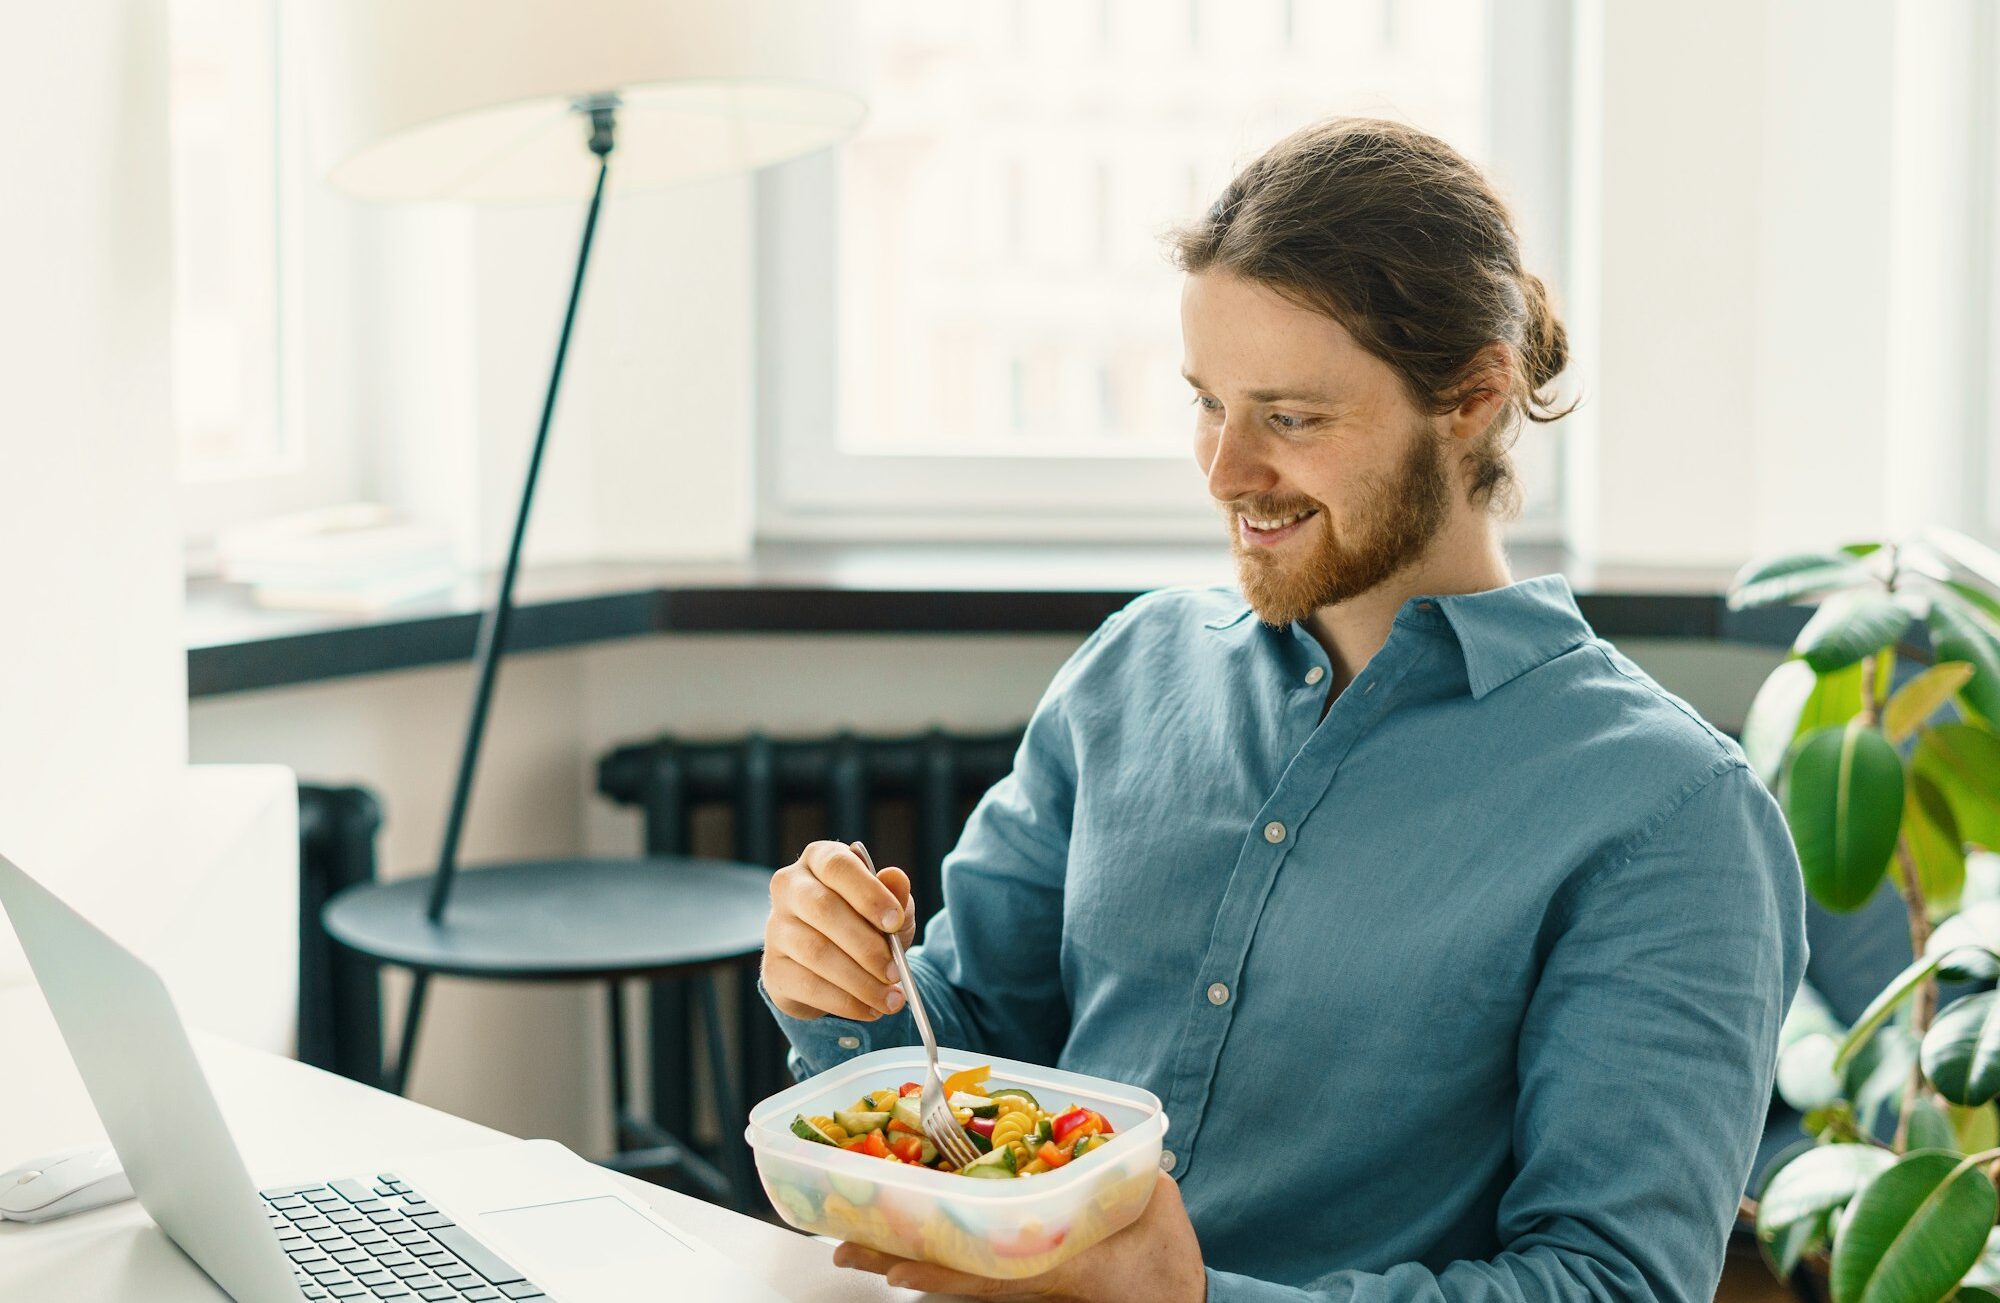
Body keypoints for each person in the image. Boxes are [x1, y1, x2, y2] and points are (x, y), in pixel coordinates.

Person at [759, 117, 1806, 1303]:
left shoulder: (1666, 814)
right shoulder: (1130, 673)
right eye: (1206, 401)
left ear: (1470, 397)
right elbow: (965, 1059)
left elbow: (1608, 1284)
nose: (1222, 470)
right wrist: (841, 989)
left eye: (1290, 418)